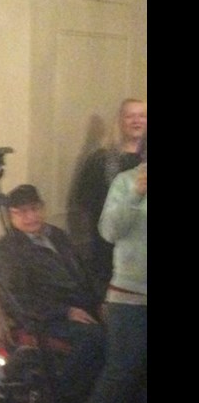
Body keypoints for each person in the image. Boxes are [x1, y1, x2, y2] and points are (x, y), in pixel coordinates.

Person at [0, 184, 106, 403]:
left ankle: (99, 399)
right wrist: (65, 311)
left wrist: (102, 301)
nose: (31, 216)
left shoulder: (57, 235)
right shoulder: (8, 249)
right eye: (22, 212)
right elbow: (17, 301)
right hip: (44, 317)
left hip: (81, 307)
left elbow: (83, 273)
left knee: (127, 328)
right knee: (93, 337)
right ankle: (59, 400)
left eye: (34, 208)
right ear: (10, 215)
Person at [82, 134, 147, 403]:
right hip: (128, 294)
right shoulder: (124, 182)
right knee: (121, 368)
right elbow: (109, 230)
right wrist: (136, 193)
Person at [71, 98, 147, 299]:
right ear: (120, 121)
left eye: (142, 116)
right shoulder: (101, 161)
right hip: (109, 252)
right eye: (130, 116)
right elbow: (87, 204)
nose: (137, 121)